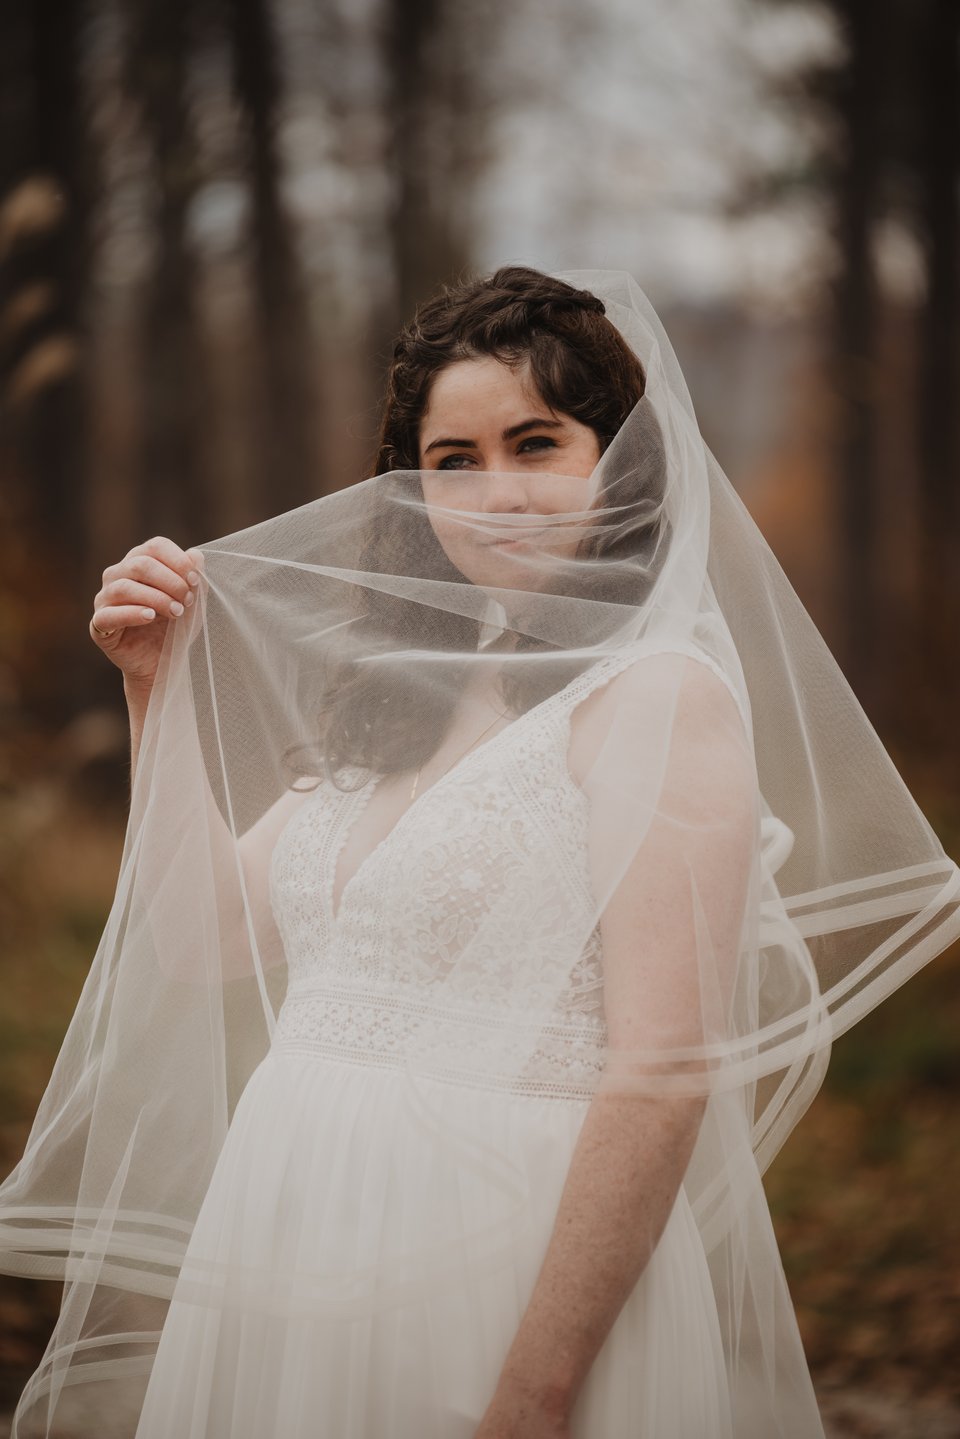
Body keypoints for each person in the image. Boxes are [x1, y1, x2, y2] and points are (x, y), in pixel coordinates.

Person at [2, 267, 958, 1439]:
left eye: (536, 443)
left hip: (501, 1259)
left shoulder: (658, 699)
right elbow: (207, 937)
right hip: (293, 1227)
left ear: (620, 461)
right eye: (453, 459)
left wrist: (535, 1390)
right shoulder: (395, 703)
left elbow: (663, 1071)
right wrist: (157, 690)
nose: (495, 492)